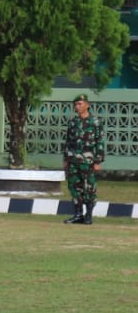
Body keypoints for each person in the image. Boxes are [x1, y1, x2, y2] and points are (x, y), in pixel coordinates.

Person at [62, 93, 104, 225]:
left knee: (89, 188)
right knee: (74, 187)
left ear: (87, 105)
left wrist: (98, 161)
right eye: (75, 104)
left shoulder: (95, 122)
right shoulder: (73, 122)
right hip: (73, 160)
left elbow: (100, 142)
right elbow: (68, 141)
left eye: (80, 104)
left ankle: (89, 215)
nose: (77, 106)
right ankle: (78, 214)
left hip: (88, 162)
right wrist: (66, 159)